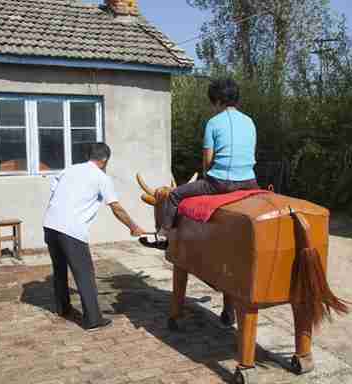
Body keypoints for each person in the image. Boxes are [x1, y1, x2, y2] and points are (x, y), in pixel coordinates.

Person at [141, 78, 258, 250]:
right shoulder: (250, 121)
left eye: (214, 103)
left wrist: (206, 176)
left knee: (174, 196)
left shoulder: (213, 123)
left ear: (218, 101)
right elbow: (252, 154)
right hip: (250, 181)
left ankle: (163, 236)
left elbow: (208, 160)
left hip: (220, 183)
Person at [43, 143, 146, 331]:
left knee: (59, 269)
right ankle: (93, 320)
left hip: (50, 224)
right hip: (71, 230)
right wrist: (134, 227)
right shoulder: (101, 178)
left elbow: (54, 193)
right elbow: (116, 207)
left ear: (88, 156)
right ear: (105, 159)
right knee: (85, 275)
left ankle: (62, 308)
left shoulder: (69, 170)